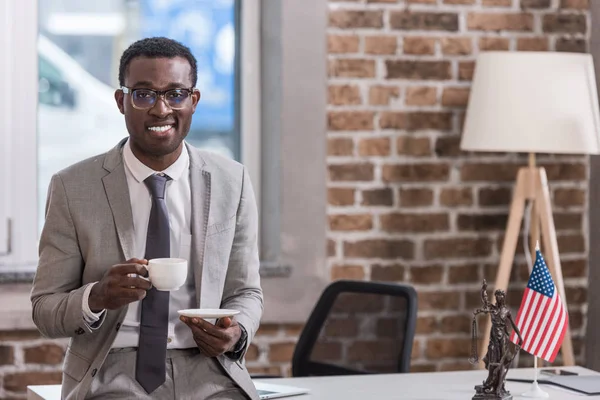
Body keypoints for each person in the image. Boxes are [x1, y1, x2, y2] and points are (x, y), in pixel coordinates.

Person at [30, 37, 263, 400]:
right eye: (143, 95)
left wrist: (236, 334)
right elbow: (45, 310)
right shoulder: (72, 187)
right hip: (112, 370)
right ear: (121, 101)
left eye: (175, 94)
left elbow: (246, 291)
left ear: (194, 100)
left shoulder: (232, 181)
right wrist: (98, 296)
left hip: (210, 371)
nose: (160, 109)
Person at [471, 282, 523, 397]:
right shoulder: (492, 309)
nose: (499, 298)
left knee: (502, 362)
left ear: (504, 298)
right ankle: (492, 384)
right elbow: (485, 300)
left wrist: (520, 337)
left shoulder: (506, 311)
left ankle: (499, 386)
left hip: (503, 340)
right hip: (493, 339)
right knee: (493, 362)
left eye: (501, 296)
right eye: (497, 296)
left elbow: (513, 325)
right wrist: (483, 290)